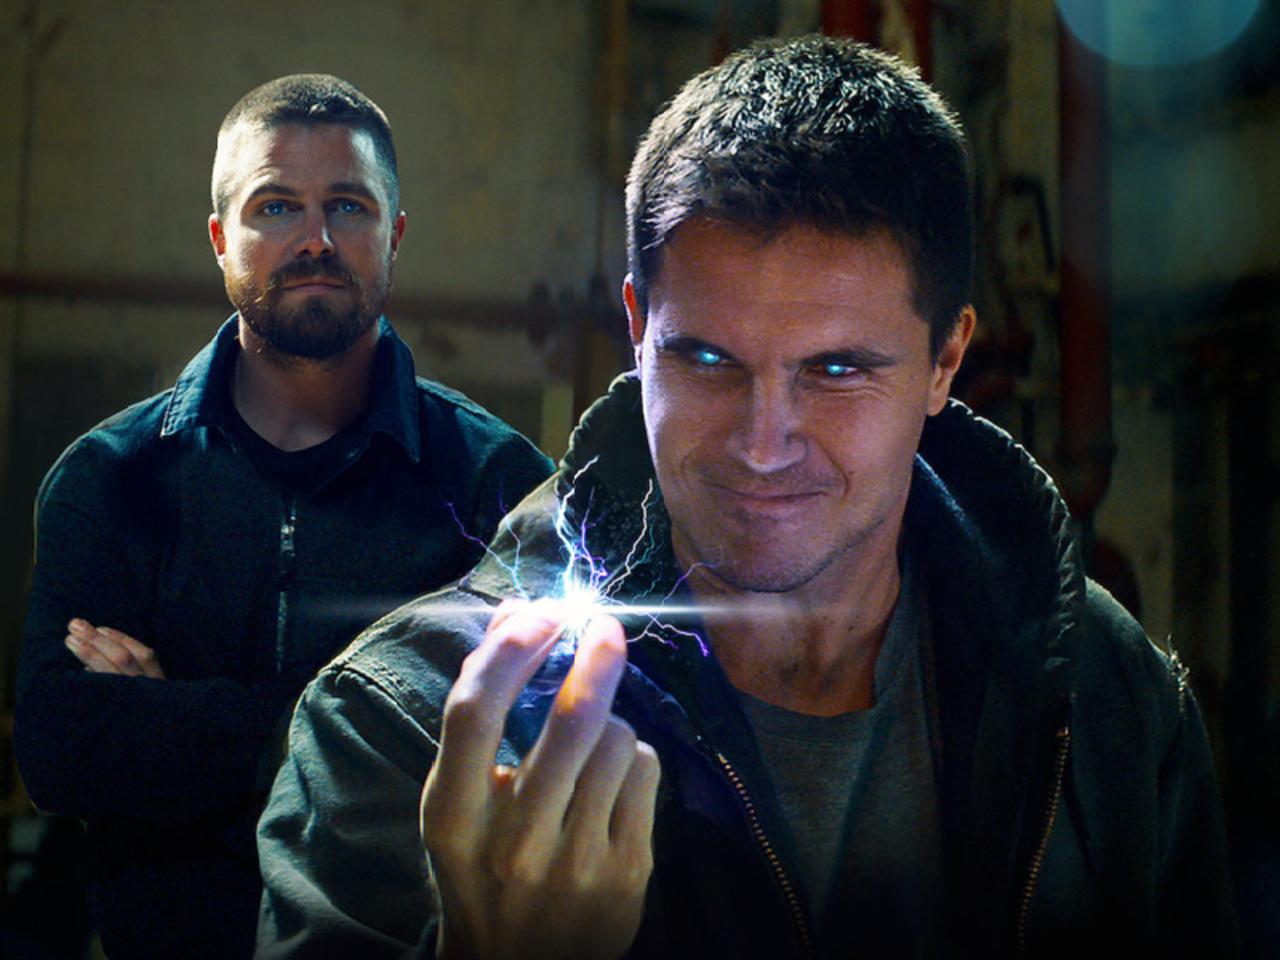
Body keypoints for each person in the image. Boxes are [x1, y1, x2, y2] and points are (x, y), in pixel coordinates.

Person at [255, 39, 1236, 959]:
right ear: (636, 328)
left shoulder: (1106, 699)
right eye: (707, 359)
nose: (763, 444)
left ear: (945, 360)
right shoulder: (397, 728)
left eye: (836, 369)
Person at [13, 74, 553, 960]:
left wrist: (170, 723)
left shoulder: (499, 485)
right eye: (276, 207)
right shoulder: (107, 478)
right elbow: (59, 750)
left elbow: (521, 765)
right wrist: (378, 737)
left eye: (347, 206)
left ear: (394, 234)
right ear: (220, 239)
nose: (315, 239)